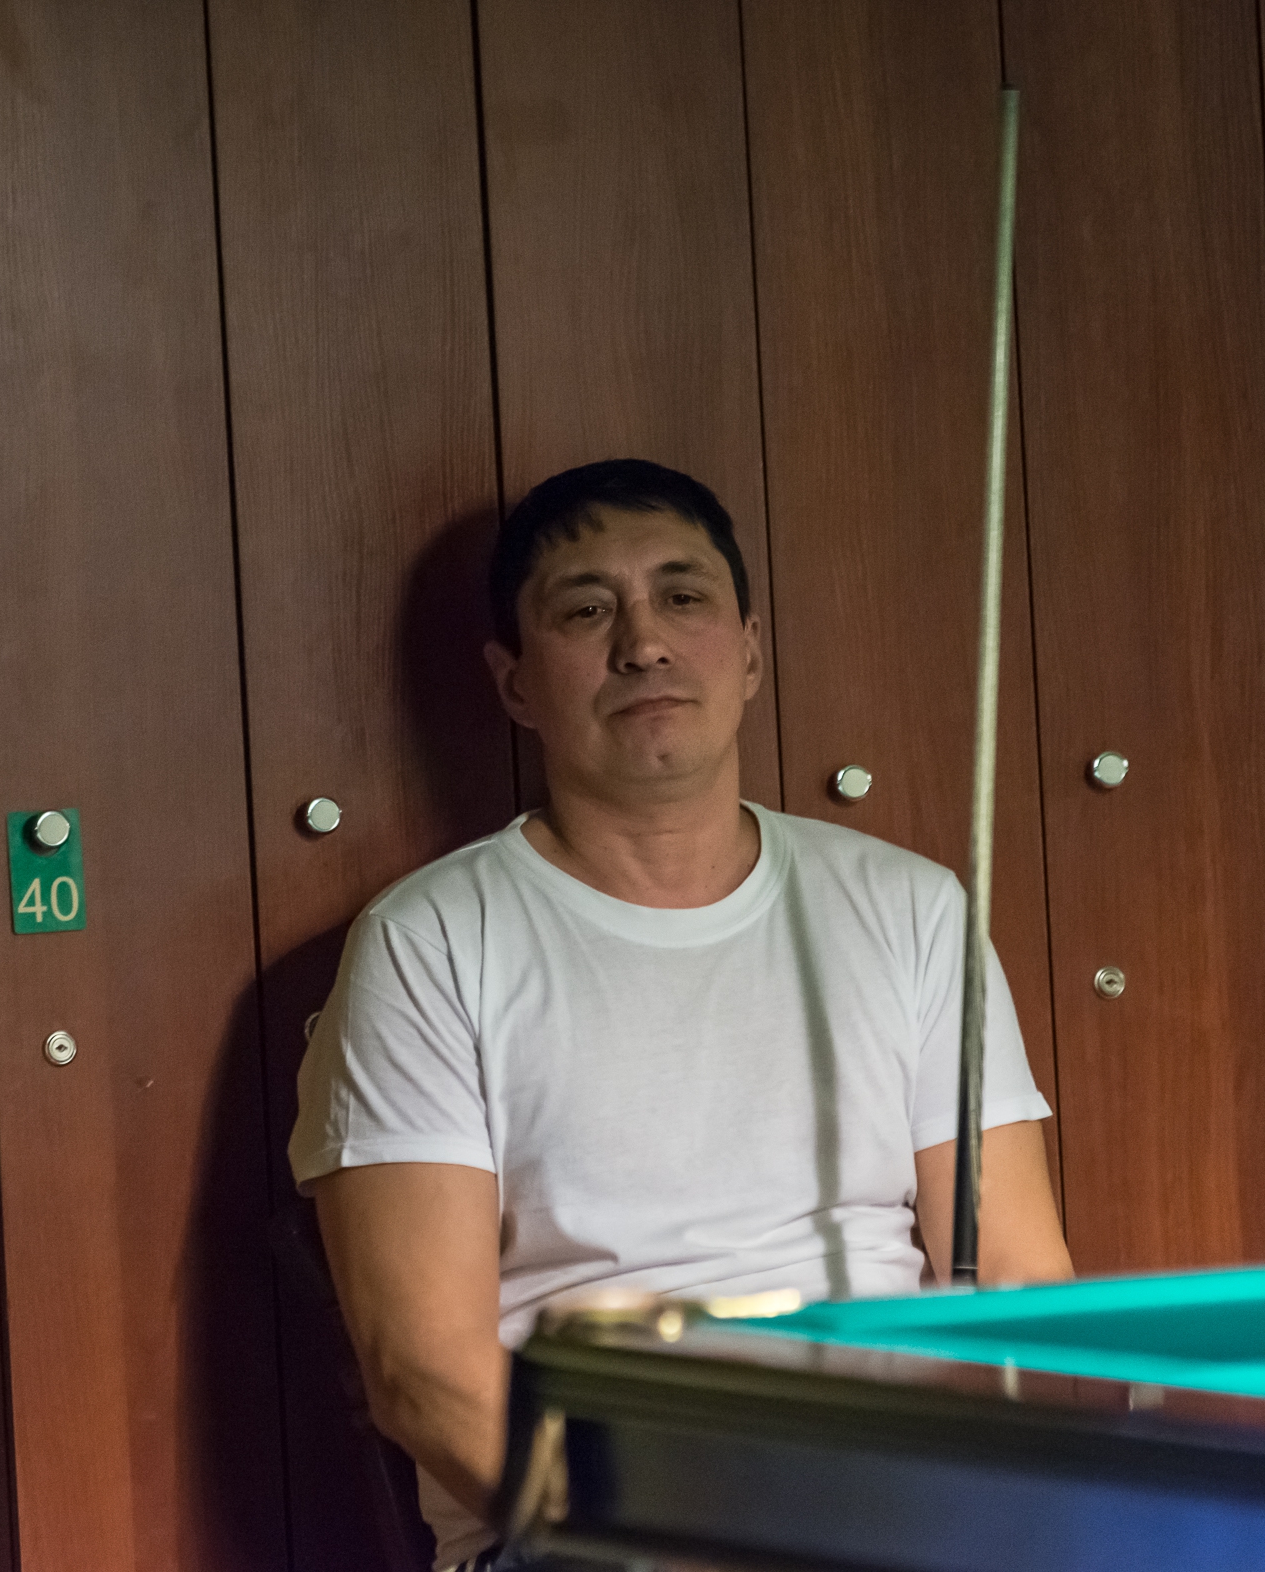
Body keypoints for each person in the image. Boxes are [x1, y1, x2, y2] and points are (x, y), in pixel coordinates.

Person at [288, 458, 1072, 1570]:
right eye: (585, 610)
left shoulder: (909, 909)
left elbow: (1024, 1281)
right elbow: (427, 1376)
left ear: (748, 650)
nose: (643, 642)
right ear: (515, 684)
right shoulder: (432, 943)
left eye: (682, 596)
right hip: (596, 1531)